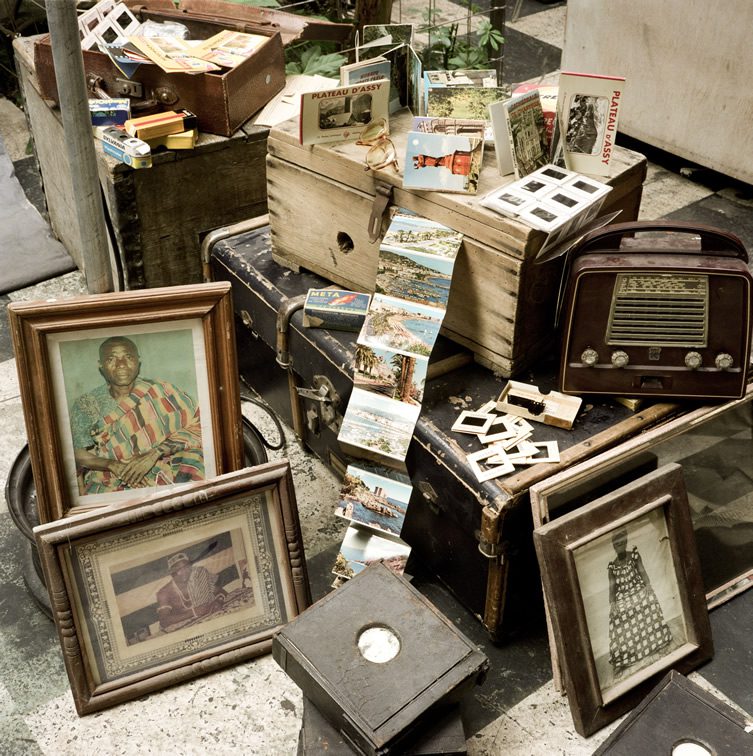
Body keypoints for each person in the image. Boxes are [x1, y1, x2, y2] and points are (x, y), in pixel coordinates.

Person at [70, 335, 205, 495]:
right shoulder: (86, 404)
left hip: (163, 465)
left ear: (138, 361)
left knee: (197, 459)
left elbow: (200, 424)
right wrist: (113, 465)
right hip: (110, 476)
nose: (121, 365)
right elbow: (78, 453)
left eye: (128, 357)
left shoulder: (161, 391)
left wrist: (154, 454)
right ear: (101, 365)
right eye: (111, 359)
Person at [607, 528, 673, 678]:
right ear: (613, 546)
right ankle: (624, 658)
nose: (620, 546)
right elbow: (612, 587)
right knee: (617, 615)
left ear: (626, 542)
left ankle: (658, 643)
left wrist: (647, 586)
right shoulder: (612, 567)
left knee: (648, 599)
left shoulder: (634, 555)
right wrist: (613, 603)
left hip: (637, 588)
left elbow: (642, 571)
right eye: (617, 544)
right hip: (623, 595)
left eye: (623, 543)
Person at [156, 552, 227, 631]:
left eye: (187, 567)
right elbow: (164, 621)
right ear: (172, 573)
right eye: (178, 569)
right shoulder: (164, 592)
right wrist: (193, 612)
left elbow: (221, 591)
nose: (184, 572)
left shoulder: (197, 577)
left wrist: (218, 601)